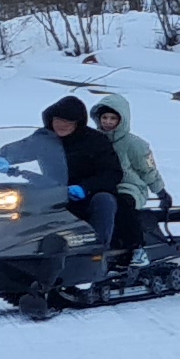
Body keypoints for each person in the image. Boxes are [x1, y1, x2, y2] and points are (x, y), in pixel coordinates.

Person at [44, 94, 127, 260]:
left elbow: (113, 172)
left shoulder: (96, 141)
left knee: (104, 201)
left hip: (89, 194)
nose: (61, 125)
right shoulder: (45, 138)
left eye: (68, 122)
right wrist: (3, 158)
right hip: (55, 192)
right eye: (58, 120)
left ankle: (96, 254)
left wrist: (86, 187)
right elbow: (23, 148)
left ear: (77, 123)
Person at [91, 92, 167, 244]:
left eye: (113, 118)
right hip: (102, 185)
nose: (108, 122)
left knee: (123, 205)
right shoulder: (93, 139)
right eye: (104, 117)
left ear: (122, 120)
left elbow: (147, 170)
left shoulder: (134, 144)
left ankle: (136, 246)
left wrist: (161, 192)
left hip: (129, 187)